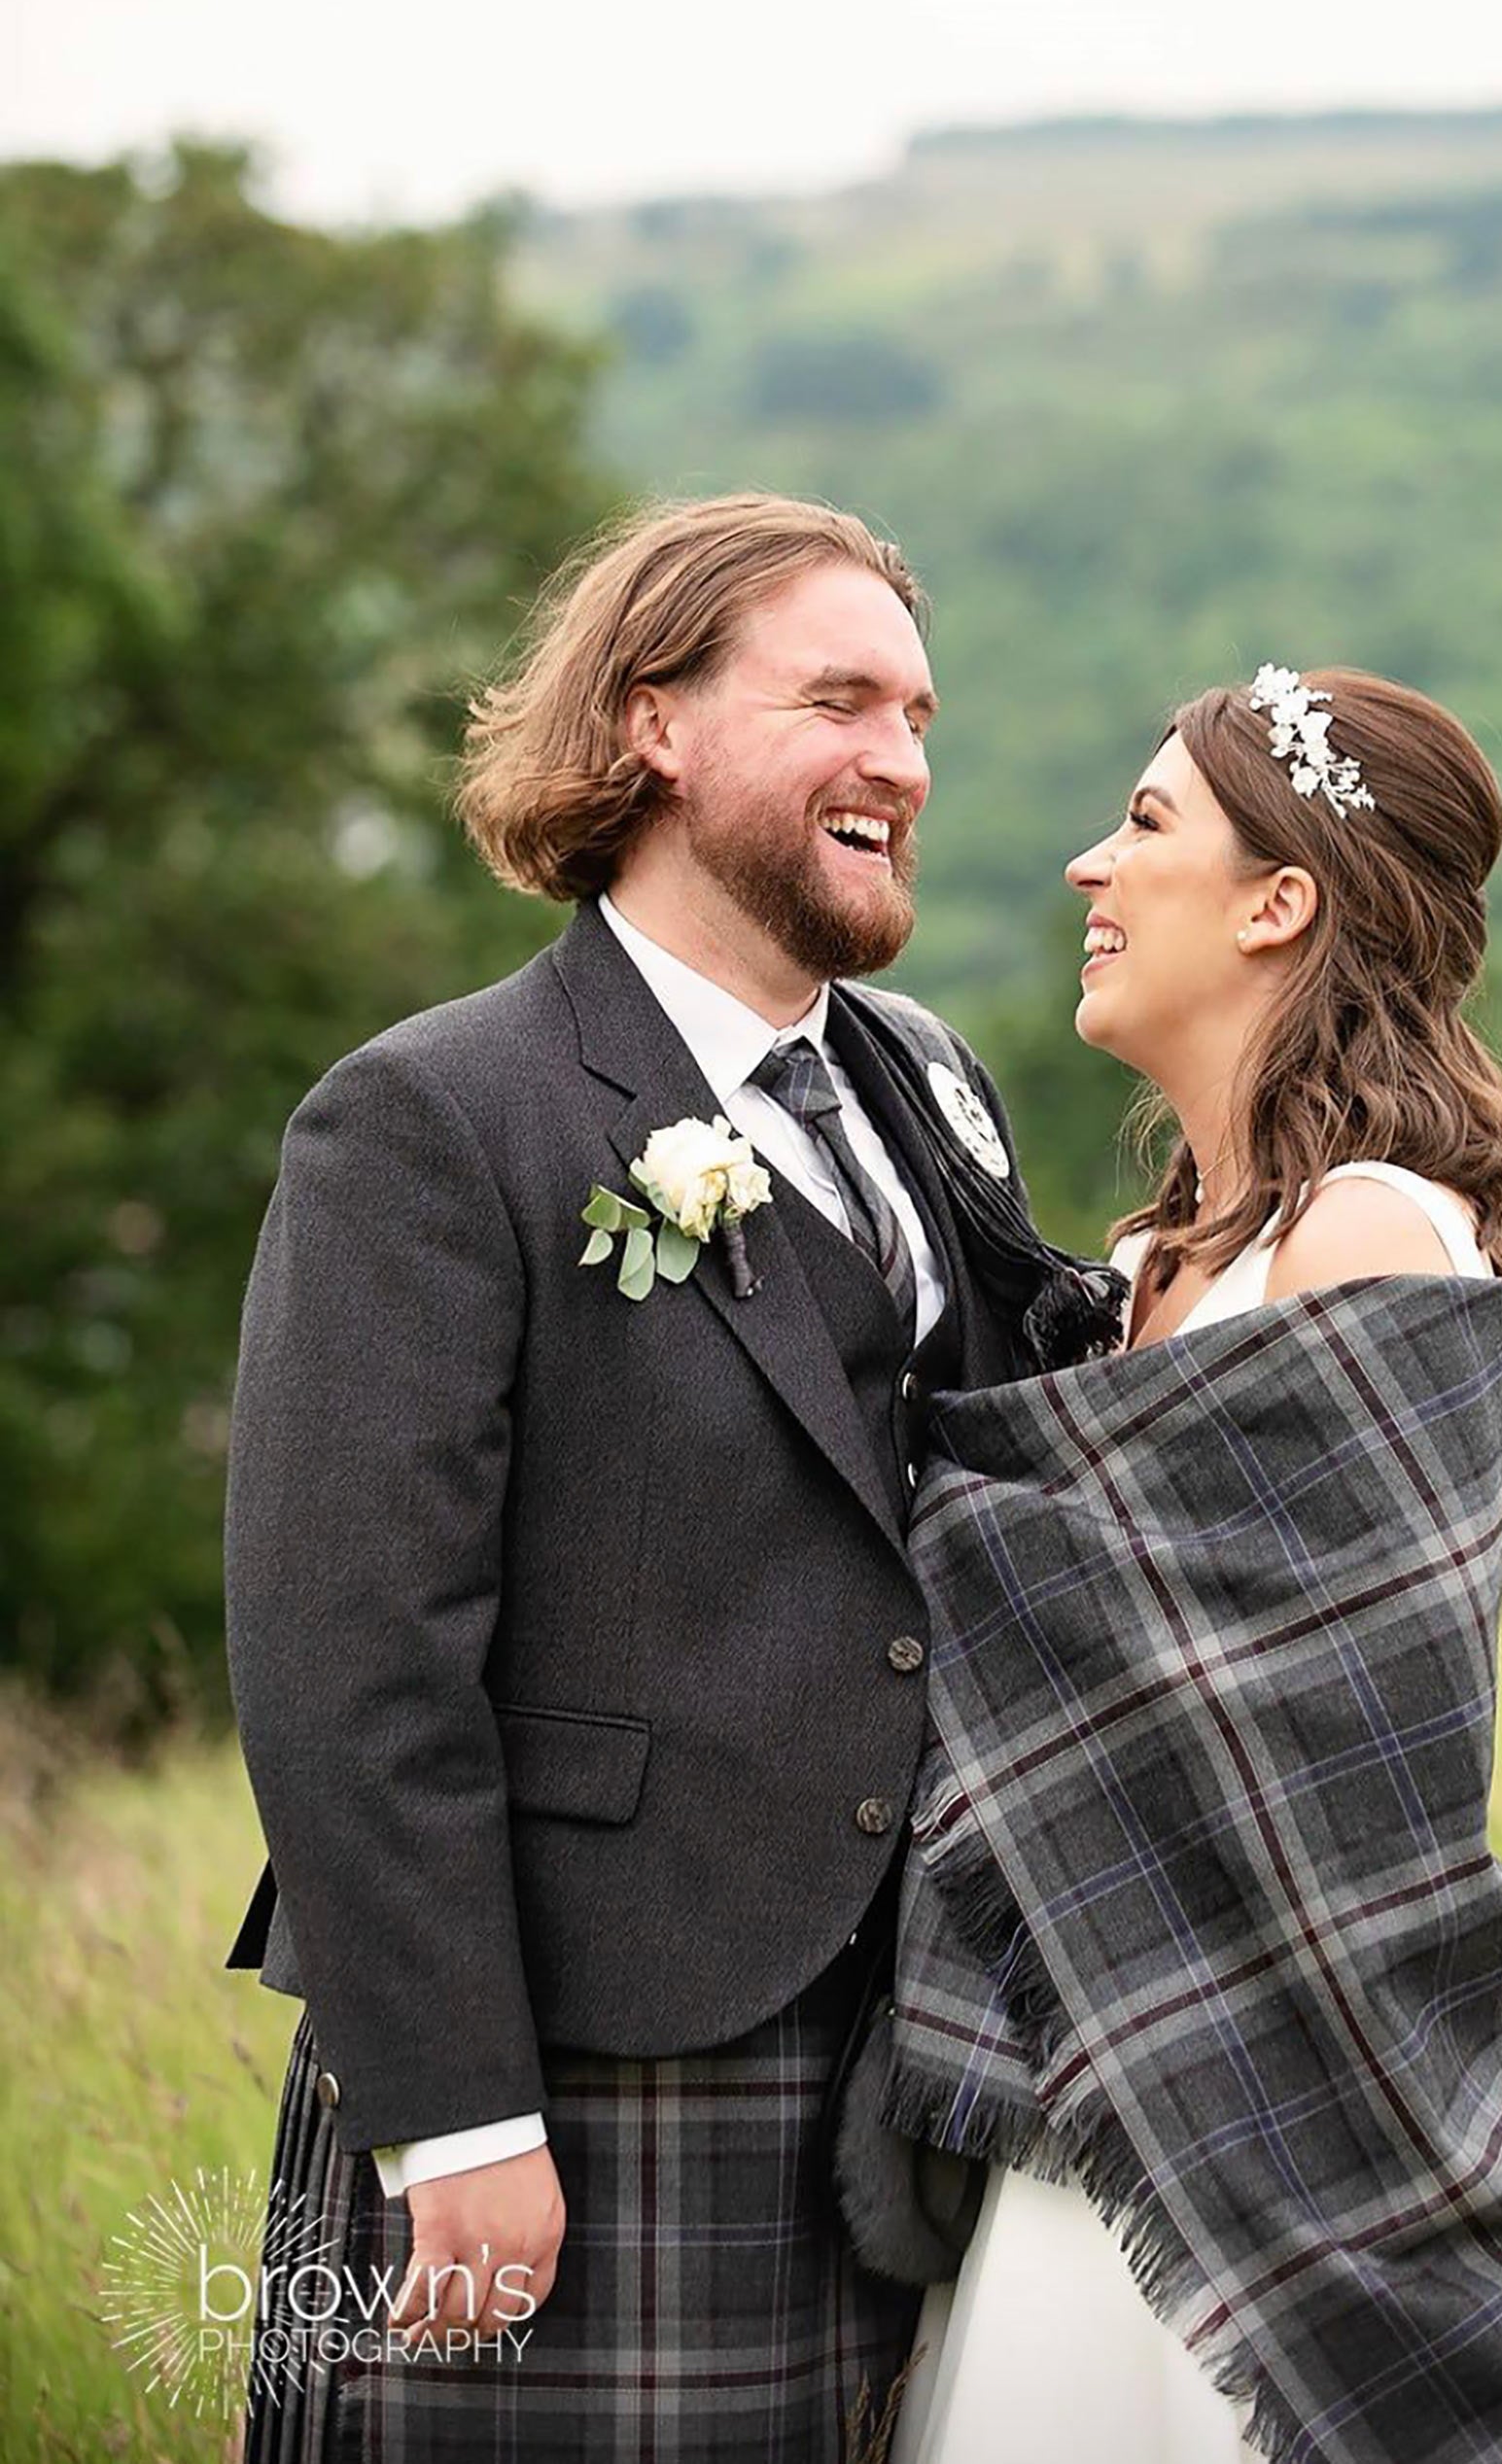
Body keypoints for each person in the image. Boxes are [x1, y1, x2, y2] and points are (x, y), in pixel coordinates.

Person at [222, 493, 1115, 2462]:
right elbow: (347, 1656)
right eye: (840, 700)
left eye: (920, 712)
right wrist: (454, 2113)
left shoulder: (925, 1079)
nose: (904, 759)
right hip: (563, 2065)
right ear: (654, 723)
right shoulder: (435, 1118)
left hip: (904, 2061)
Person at [878, 669, 1502, 2463]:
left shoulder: (1371, 1240)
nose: (1081, 868)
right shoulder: (1137, 1270)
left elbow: (1343, 1770)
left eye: (1141, 826)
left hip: (1271, 2091)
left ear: (1279, 901)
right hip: (1100, 2091)